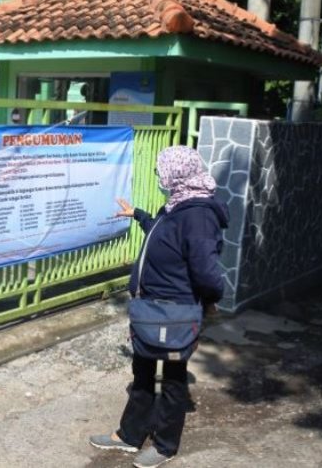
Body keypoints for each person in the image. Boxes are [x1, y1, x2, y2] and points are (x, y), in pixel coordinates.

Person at [89, 145, 228, 468]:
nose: (158, 176)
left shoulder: (197, 214)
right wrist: (138, 215)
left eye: (160, 170)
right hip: (151, 309)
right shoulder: (179, 206)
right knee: (142, 373)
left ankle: (165, 445)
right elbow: (163, 236)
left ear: (177, 173)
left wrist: (209, 302)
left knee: (173, 380)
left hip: (175, 311)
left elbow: (206, 272)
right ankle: (130, 435)